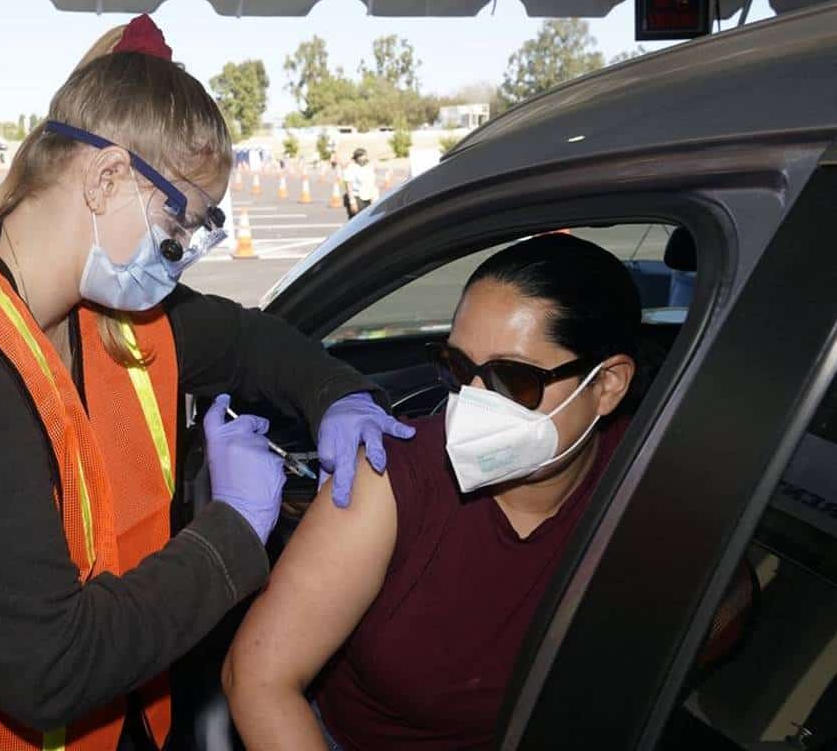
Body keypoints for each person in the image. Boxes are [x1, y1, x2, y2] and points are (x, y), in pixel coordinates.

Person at [0, 15, 412, 751]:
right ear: (108, 176)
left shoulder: (112, 311)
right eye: (179, 220)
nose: (182, 252)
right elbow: (52, 666)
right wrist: (235, 529)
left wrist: (340, 395)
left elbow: (252, 342)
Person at [224, 234, 642, 750]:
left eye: (513, 380)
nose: (472, 401)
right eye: (460, 368)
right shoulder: (393, 476)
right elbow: (261, 680)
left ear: (607, 385)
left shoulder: (647, 479)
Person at [342, 148, 377, 219]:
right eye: (360, 156)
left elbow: (371, 184)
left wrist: (374, 198)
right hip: (357, 198)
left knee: (367, 221)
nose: (362, 158)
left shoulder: (369, 168)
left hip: (368, 198)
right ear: (356, 158)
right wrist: (352, 202)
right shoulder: (351, 168)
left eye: (364, 156)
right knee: (356, 221)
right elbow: (349, 185)